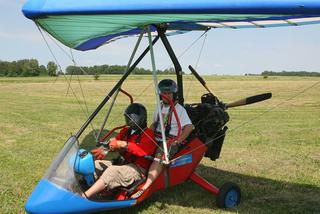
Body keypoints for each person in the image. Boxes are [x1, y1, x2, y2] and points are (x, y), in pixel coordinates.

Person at [130, 79, 193, 199]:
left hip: (169, 140)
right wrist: (147, 135)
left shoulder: (179, 109)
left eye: (169, 93)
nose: (166, 95)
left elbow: (189, 127)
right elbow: (154, 124)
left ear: (174, 94)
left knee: (159, 155)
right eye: (164, 93)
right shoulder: (158, 106)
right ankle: (133, 172)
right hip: (157, 136)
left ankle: (145, 186)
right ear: (160, 94)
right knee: (138, 144)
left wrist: (177, 141)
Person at [82, 103, 157, 198]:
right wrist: (105, 149)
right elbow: (115, 142)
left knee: (112, 171)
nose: (129, 121)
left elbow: (143, 151)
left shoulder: (148, 135)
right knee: (96, 164)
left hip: (137, 170)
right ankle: (85, 185)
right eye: (127, 118)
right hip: (123, 164)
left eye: (131, 119)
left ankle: (85, 196)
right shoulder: (126, 131)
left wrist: (123, 144)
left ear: (140, 119)